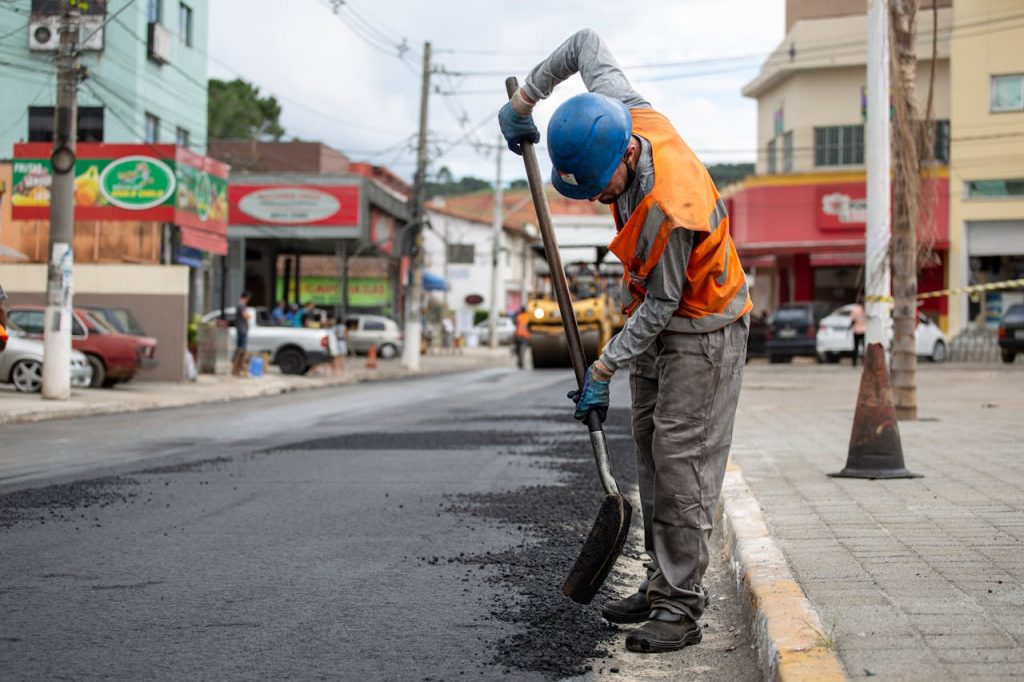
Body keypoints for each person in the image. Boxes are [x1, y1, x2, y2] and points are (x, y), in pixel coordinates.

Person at [500, 29, 752, 654]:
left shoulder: (669, 205)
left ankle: (680, 609)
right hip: (657, 314)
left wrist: (604, 368)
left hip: (704, 325)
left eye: (602, 189)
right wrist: (527, 100)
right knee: (647, 448)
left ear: (625, 158)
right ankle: (658, 579)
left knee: (681, 465)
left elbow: (666, 304)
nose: (602, 199)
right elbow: (585, 43)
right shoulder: (619, 109)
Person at [232, 291, 252, 377]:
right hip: (242, 330)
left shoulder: (240, 305)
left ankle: (237, 368)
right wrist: (248, 315)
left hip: (241, 329)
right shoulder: (241, 305)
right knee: (241, 350)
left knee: (240, 349)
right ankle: (239, 368)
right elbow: (246, 316)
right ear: (246, 297)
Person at [850, 301, 867, 367]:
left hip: (856, 330)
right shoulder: (867, 309)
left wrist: (850, 326)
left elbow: (852, 319)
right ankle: (863, 361)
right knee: (864, 347)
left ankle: (854, 362)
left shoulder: (855, 309)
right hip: (864, 330)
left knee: (856, 347)